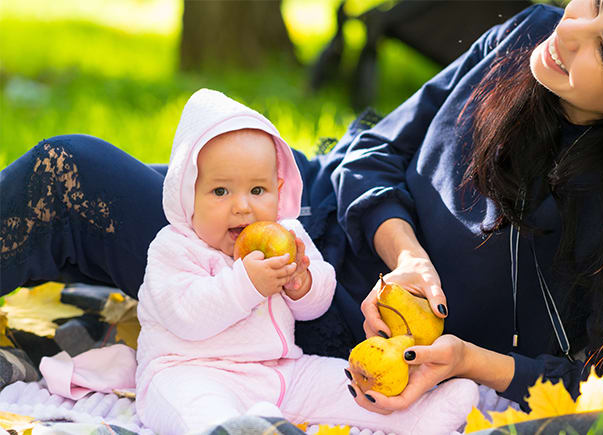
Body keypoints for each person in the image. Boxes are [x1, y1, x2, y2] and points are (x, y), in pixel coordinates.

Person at [1, 0, 603, 418]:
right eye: (594, 1)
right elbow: (368, 150)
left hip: (310, 316)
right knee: (64, 177)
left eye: (600, 49)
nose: (566, 32)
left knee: (66, 179)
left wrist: (466, 361)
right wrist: (404, 252)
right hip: (292, 218)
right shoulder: (523, 36)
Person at [133, 88, 478, 434]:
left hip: (279, 371)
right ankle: (232, 428)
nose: (242, 206)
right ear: (187, 193)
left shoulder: (286, 235)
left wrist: (302, 283)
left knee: (341, 381)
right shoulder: (176, 247)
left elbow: (316, 306)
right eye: (220, 191)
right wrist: (246, 285)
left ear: (278, 189)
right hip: (190, 370)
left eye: (257, 191)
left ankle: (419, 414)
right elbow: (185, 314)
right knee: (196, 407)